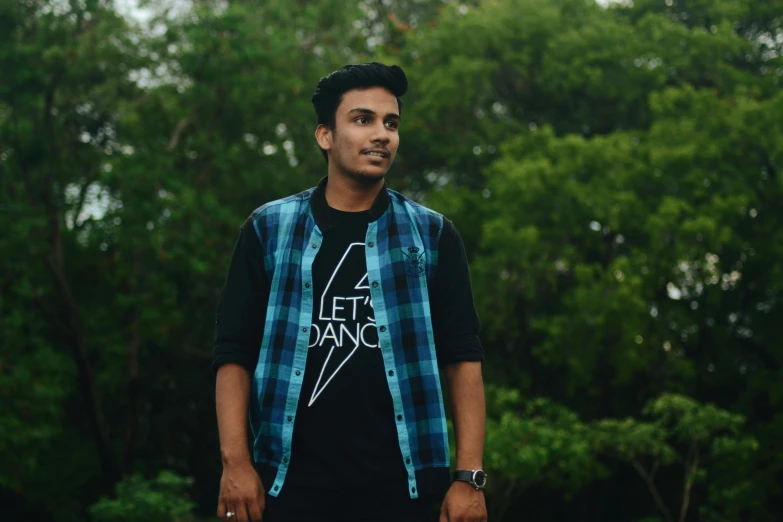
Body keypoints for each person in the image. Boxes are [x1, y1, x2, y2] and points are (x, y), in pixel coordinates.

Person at [213, 62, 488, 522]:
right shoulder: (269, 228)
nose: (382, 134)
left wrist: (469, 478)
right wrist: (236, 464)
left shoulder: (433, 235)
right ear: (325, 135)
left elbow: (463, 357)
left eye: (391, 123)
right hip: (285, 485)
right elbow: (233, 352)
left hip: (408, 488)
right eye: (363, 120)